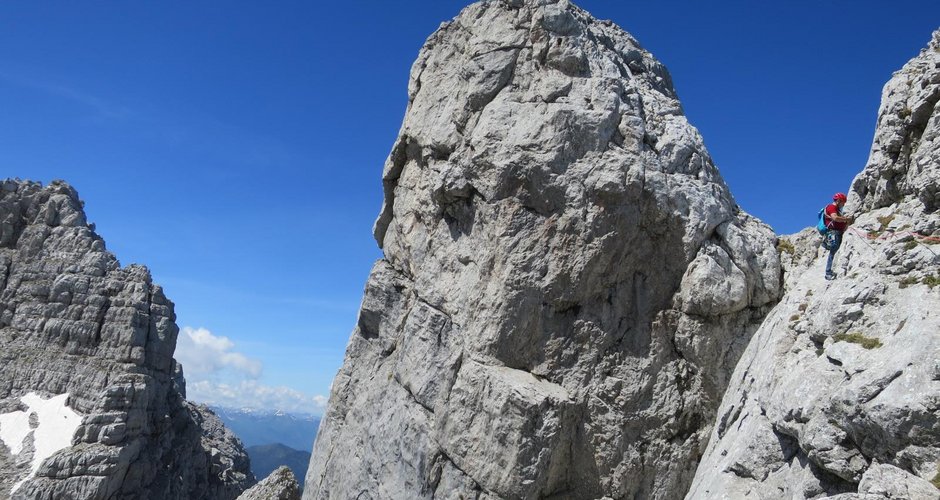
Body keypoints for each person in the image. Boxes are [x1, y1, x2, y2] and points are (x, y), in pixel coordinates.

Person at [823, 192, 854, 280]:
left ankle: (830, 271)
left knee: (835, 251)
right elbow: (835, 218)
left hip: (837, 233)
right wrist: (846, 219)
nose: (843, 205)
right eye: (843, 203)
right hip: (834, 233)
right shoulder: (832, 207)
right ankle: (828, 273)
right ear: (839, 201)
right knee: (833, 252)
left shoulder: (836, 209)